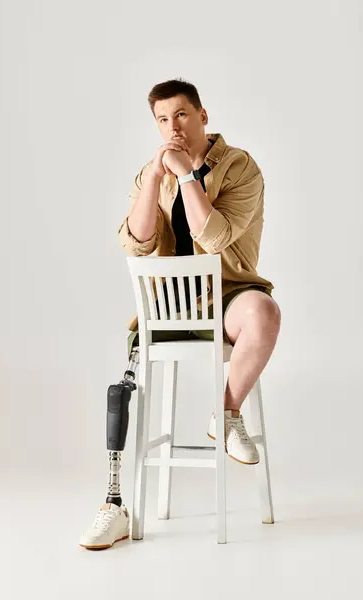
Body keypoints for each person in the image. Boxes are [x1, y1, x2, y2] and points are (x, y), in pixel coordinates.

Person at [79, 78, 281, 550]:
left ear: (203, 116)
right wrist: (154, 178)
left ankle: (226, 412)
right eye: (163, 120)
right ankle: (115, 505)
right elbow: (137, 241)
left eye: (182, 116)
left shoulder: (240, 168)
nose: (173, 128)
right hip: (168, 305)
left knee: (265, 313)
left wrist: (189, 175)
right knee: (121, 390)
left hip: (228, 296)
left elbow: (213, 238)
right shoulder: (151, 171)